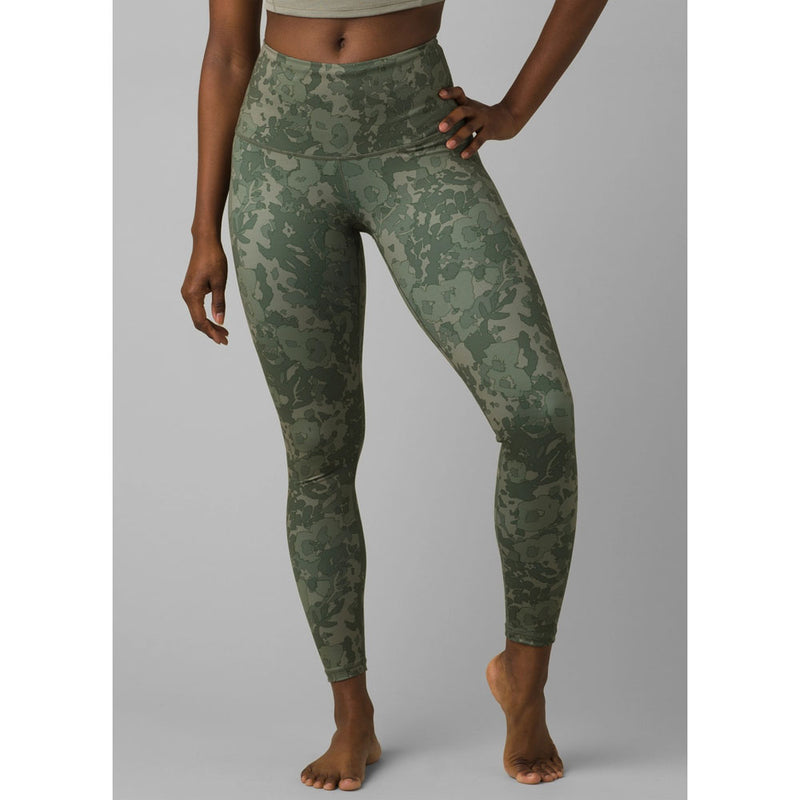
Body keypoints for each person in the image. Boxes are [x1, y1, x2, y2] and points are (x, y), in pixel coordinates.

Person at [181, 0, 608, 790]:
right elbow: (229, 52)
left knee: (539, 414)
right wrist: (204, 228)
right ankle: (352, 716)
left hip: (417, 139)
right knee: (319, 454)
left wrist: (515, 109)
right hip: (279, 159)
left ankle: (525, 679)